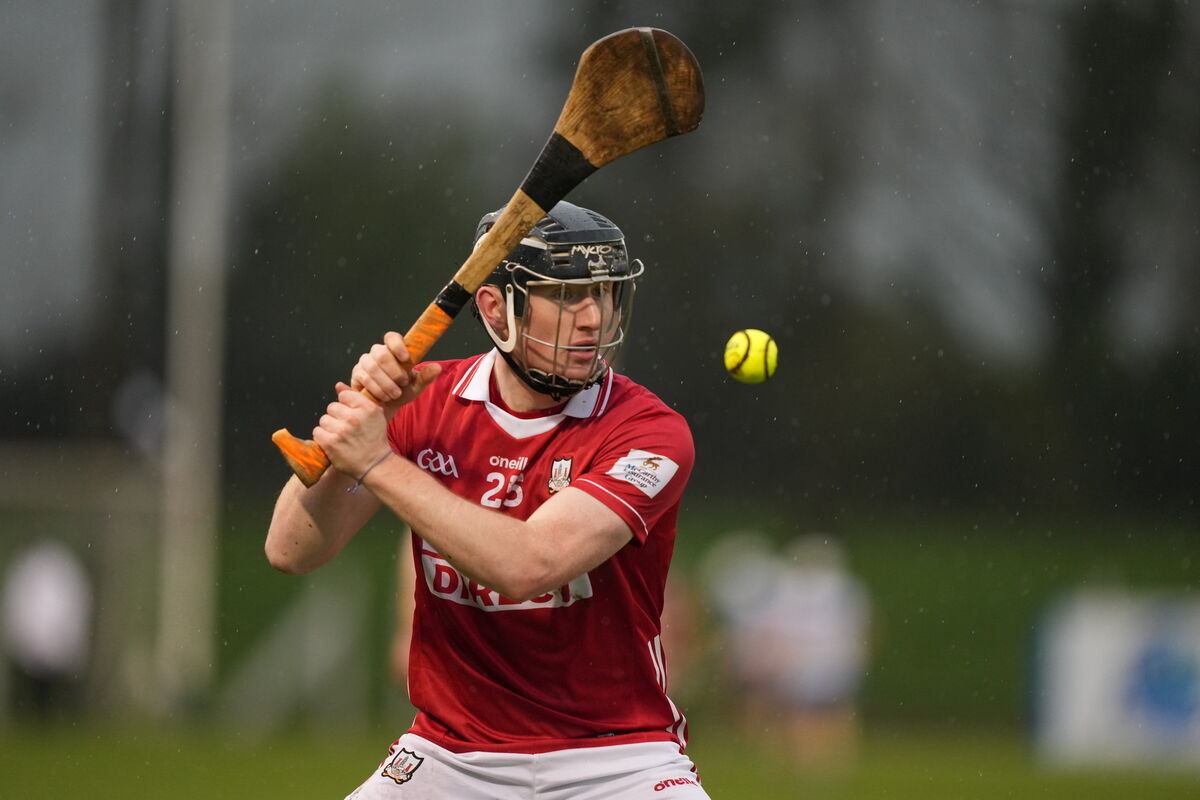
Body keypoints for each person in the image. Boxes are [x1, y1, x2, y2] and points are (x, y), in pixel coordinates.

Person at [266, 201, 708, 799]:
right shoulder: (423, 402)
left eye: (603, 293)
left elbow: (530, 566)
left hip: (617, 759)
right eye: (564, 294)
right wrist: (364, 425)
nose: (593, 319)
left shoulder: (650, 432)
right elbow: (292, 548)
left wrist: (377, 461)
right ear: (497, 308)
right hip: (450, 756)